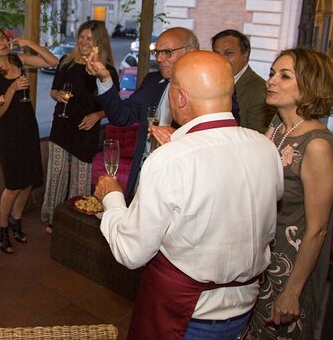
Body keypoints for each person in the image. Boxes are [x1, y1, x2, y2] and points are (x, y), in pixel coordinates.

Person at [94, 51, 283, 340]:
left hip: (185, 316)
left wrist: (112, 198)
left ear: (179, 98)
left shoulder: (169, 160)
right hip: (244, 311)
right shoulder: (267, 149)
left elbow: (131, 252)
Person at [246, 48, 333, 340]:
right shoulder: (276, 127)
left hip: (292, 263)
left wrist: (293, 291)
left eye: (285, 76)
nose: (271, 81)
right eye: (272, 73)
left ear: (310, 84)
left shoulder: (317, 144)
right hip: (263, 254)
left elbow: (318, 229)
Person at [86, 27, 199, 199]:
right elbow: (121, 116)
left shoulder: (207, 90)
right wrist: (105, 78)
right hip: (143, 178)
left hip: (180, 185)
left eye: (167, 52)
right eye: (157, 52)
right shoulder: (153, 82)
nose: (159, 59)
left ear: (190, 53)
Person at [0, 26, 58, 253]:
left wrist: (30, 44)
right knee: (14, 184)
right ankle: (2, 227)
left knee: (29, 180)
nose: (2, 43)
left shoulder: (19, 59)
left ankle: (16, 219)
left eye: (3, 38)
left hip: (28, 128)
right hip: (10, 133)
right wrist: (13, 88)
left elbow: (52, 62)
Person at [41, 20, 119, 231]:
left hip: (86, 129)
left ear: (99, 42)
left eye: (89, 38)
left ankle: (74, 222)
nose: (84, 42)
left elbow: (114, 105)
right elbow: (53, 90)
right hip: (62, 124)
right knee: (55, 175)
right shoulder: (66, 62)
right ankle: (53, 218)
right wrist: (59, 95)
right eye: (81, 37)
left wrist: (96, 115)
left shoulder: (106, 71)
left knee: (80, 178)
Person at [212, 29, 273, 133]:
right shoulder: (209, 83)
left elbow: (256, 136)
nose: (221, 59)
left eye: (228, 53)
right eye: (217, 54)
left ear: (245, 55)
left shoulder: (260, 91)